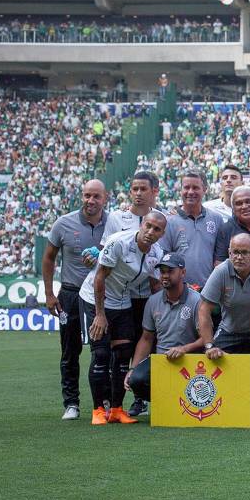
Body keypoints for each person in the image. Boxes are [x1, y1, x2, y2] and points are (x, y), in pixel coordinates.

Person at [79, 210, 167, 425]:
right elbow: (100, 276)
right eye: (148, 226)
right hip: (95, 299)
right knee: (100, 355)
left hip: (122, 302)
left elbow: (156, 285)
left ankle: (117, 409)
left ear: (162, 233)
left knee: (122, 357)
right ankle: (98, 410)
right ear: (141, 224)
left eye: (156, 229)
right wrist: (100, 314)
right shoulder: (118, 241)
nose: (150, 232)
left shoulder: (157, 253)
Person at [42, 179, 108, 420]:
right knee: (70, 350)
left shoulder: (113, 223)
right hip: (69, 294)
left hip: (99, 296)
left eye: (96, 196)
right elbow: (49, 258)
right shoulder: (63, 223)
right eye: (87, 195)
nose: (90, 201)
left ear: (105, 198)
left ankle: (104, 401)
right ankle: (71, 403)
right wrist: (49, 294)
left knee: (102, 351)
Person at [124, 252, 202, 406]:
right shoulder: (153, 301)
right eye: (162, 271)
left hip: (190, 360)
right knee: (136, 380)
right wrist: (132, 368)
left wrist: (183, 349)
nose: (165, 275)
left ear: (183, 273)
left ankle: (178, 400)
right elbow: (146, 338)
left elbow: (206, 339)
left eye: (170, 271)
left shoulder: (197, 300)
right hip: (162, 359)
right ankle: (166, 402)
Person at [161, 168, 229, 290]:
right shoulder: (169, 221)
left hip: (209, 290)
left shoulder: (216, 219)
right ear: (180, 190)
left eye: (195, 187)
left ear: (205, 190)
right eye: (186, 187)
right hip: (179, 289)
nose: (190, 192)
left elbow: (220, 257)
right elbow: (165, 259)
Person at [213, 186, 250, 265]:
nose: (244, 206)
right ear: (233, 209)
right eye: (239, 203)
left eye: (248, 201)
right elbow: (219, 263)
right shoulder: (226, 229)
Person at [104, 170, 160, 236]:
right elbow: (107, 245)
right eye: (135, 189)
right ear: (130, 192)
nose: (138, 193)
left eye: (143, 189)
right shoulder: (116, 217)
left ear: (155, 191)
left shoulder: (166, 219)